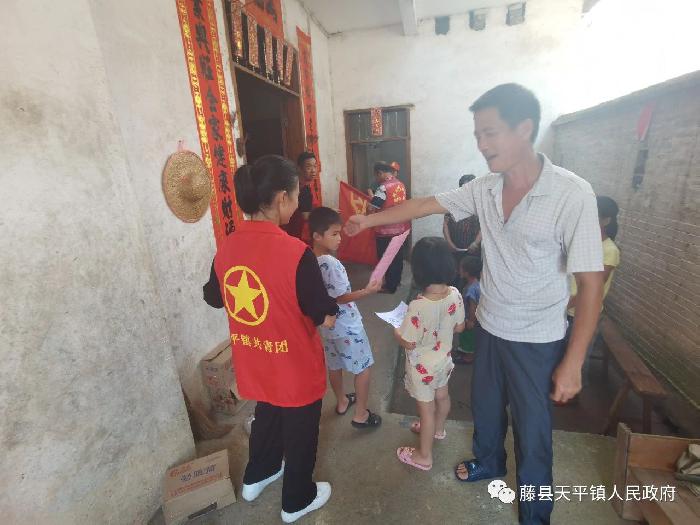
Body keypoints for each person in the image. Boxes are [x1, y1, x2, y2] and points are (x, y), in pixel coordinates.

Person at [346, 83, 604, 525]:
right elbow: (424, 204)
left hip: (537, 339)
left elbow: (591, 284)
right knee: (485, 405)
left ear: (524, 129)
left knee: (533, 431)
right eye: (477, 135)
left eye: (491, 133)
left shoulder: (572, 194)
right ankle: (489, 461)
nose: (482, 145)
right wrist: (368, 221)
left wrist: (574, 362)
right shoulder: (485, 189)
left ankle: (535, 513)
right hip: (490, 324)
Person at [202, 155, 337, 523]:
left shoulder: (228, 246)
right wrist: (335, 307)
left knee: (268, 411)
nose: (297, 201)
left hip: (255, 357)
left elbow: (214, 297)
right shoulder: (296, 253)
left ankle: (257, 475)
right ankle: (297, 499)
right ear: (281, 198)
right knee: (300, 427)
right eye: (296, 194)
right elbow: (323, 314)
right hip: (293, 362)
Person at [394, 237, 465, 470]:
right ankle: (438, 430)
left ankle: (424, 456)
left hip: (422, 369)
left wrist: (396, 330)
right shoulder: (455, 294)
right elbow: (459, 327)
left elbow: (408, 342)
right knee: (442, 396)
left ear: (418, 271)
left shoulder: (418, 306)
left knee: (426, 411)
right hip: (444, 361)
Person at [308, 206, 383, 429]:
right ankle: (361, 414)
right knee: (363, 367)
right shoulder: (331, 263)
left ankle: (341, 401)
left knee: (334, 364)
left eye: (339, 233)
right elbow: (340, 297)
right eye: (334, 234)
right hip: (347, 324)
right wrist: (367, 291)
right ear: (317, 236)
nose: (339, 238)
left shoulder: (310, 259)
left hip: (328, 325)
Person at [566, 195, 621, 384]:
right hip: (565, 308)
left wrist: (565, 305)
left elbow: (591, 288)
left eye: (592, 215)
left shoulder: (609, 251)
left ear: (606, 220)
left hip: (581, 313)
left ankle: (570, 395)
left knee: (575, 361)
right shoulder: (582, 242)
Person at [369, 161, 410, 294]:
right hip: (400, 228)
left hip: (385, 230)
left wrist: (370, 199)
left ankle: (390, 286)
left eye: (376, 176)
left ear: (380, 173)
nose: (376, 179)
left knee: (386, 258)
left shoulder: (383, 188)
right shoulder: (400, 185)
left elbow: (373, 207)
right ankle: (396, 281)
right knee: (397, 257)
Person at [453, 256, 482, 365]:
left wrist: (471, 320)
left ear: (467, 272)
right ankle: (465, 351)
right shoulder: (476, 284)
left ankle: (469, 357)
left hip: (470, 319)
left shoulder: (471, 289)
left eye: (461, 268)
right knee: (467, 336)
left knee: (468, 337)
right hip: (472, 318)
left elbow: (472, 306)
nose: (458, 270)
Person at [443, 175, 482, 256]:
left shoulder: (480, 204)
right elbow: (445, 225)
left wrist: (475, 243)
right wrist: (450, 243)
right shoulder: (452, 203)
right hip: (454, 249)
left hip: (474, 250)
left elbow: (484, 227)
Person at [284, 151, 318, 242]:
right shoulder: (300, 189)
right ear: (299, 168)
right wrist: (324, 213)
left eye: (315, 166)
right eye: (308, 167)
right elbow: (305, 216)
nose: (313, 170)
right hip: (299, 235)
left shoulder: (308, 186)